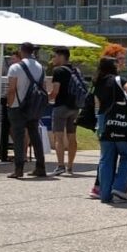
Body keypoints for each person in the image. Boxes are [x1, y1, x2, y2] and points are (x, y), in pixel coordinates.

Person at [93, 57, 127, 203]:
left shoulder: (97, 82)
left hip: (104, 120)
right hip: (120, 120)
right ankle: (119, 189)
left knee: (106, 158)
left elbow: (98, 103)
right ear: (113, 66)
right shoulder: (119, 79)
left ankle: (105, 194)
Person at [6, 42, 46, 179]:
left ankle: (18, 169)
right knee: (35, 136)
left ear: (21, 51)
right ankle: (40, 167)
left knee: (18, 137)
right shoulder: (40, 67)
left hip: (18, 106)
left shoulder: (15, 67)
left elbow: (11, 89)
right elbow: (43, 87)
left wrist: (9, 104)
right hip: (34, 106)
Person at [48, 47, 81, 176]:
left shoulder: (58, 71)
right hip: (75, 107)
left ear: (61, 56)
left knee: (58, 136)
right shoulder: (75, 70)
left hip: (61, 106)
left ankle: (60, 165)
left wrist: (46, 97)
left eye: (54, 56)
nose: (53, 59)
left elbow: (55, 91)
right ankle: (70, 166)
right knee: (72, 136)